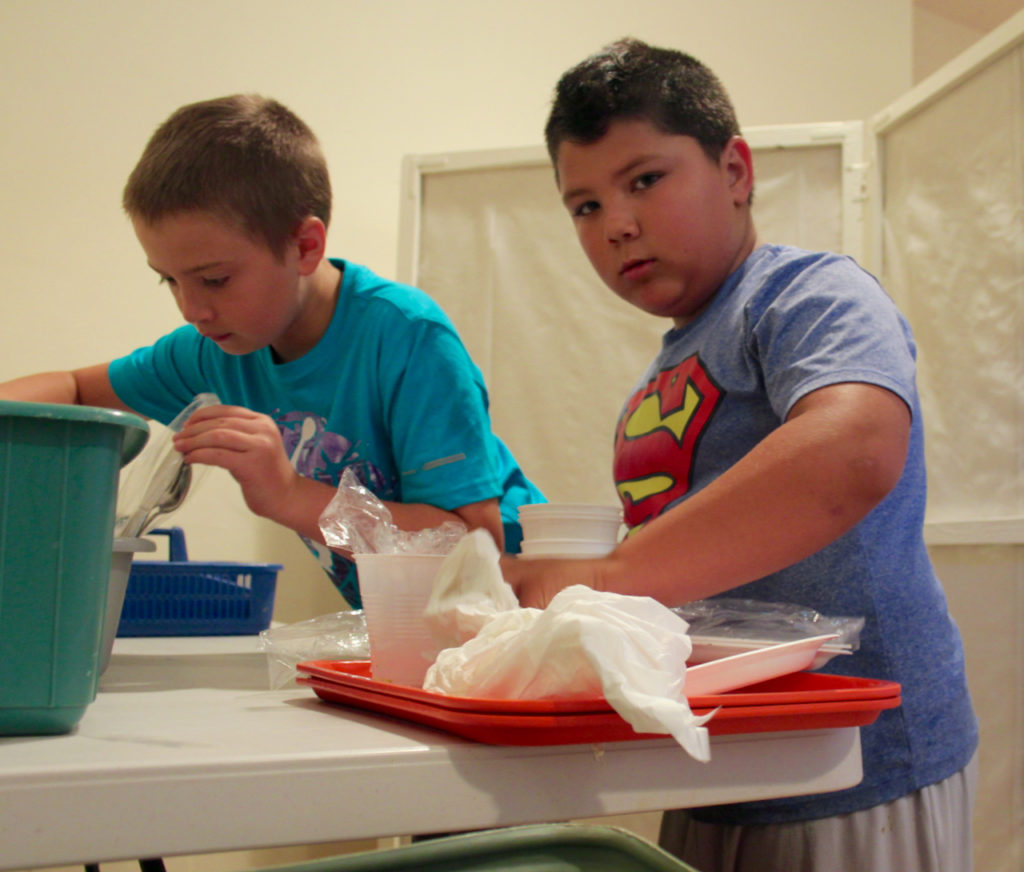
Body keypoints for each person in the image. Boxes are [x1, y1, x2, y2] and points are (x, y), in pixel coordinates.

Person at [501, 39, 978, 871]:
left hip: (855, 761)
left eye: (645, 180)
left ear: (735, 171)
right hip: (724, 765)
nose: (616, 224)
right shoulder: (666, 366)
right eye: (583, 206)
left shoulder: (805, 293)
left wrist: (607, 578)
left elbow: (856, 449)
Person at [0, 94, 544, 608]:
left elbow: (475, 549)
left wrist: (288, 494)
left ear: (305, 246)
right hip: (413, 638)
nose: (191, 309)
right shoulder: (213, 349)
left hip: (526, 618)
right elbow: (70, 389)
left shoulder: (407, 337)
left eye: (214, 279)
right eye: (167, 280)